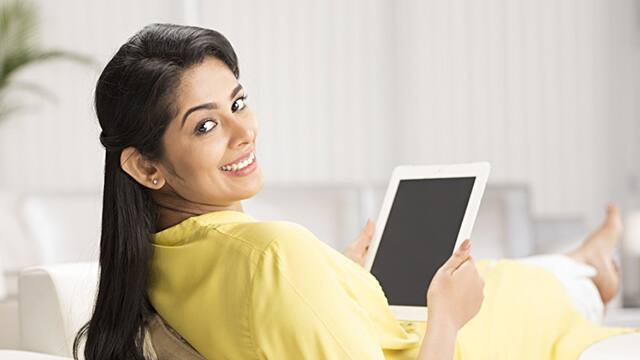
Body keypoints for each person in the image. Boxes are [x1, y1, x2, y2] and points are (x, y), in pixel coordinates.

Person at [73, 23, 636, 360]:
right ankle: (588, 272)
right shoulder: (272, 255)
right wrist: (445, 319)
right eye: (206, 125)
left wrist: (331, 279)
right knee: (531, 288)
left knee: (519, 274)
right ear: (146, 167)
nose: (246, 131)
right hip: (471, 337)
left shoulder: (157, 256)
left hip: (396, 322)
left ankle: (581, 264)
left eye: (238, 103)